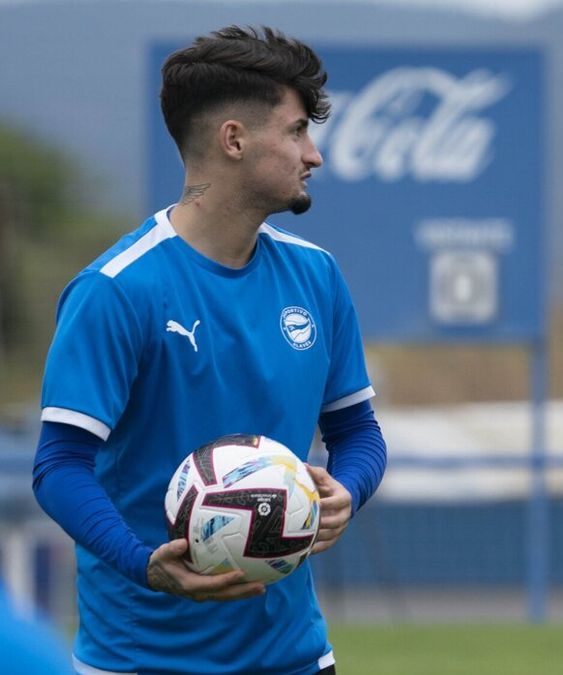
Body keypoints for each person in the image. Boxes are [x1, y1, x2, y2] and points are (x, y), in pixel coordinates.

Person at [32, 26, 387, 674]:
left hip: (296, 657)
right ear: (234, 139)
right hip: (140, 660)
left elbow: (358, 431)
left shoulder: (318, 277)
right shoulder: (117, 290)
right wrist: (142, 563)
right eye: (297, 129)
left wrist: (348, 491)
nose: (315, 154)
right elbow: (58, 466)